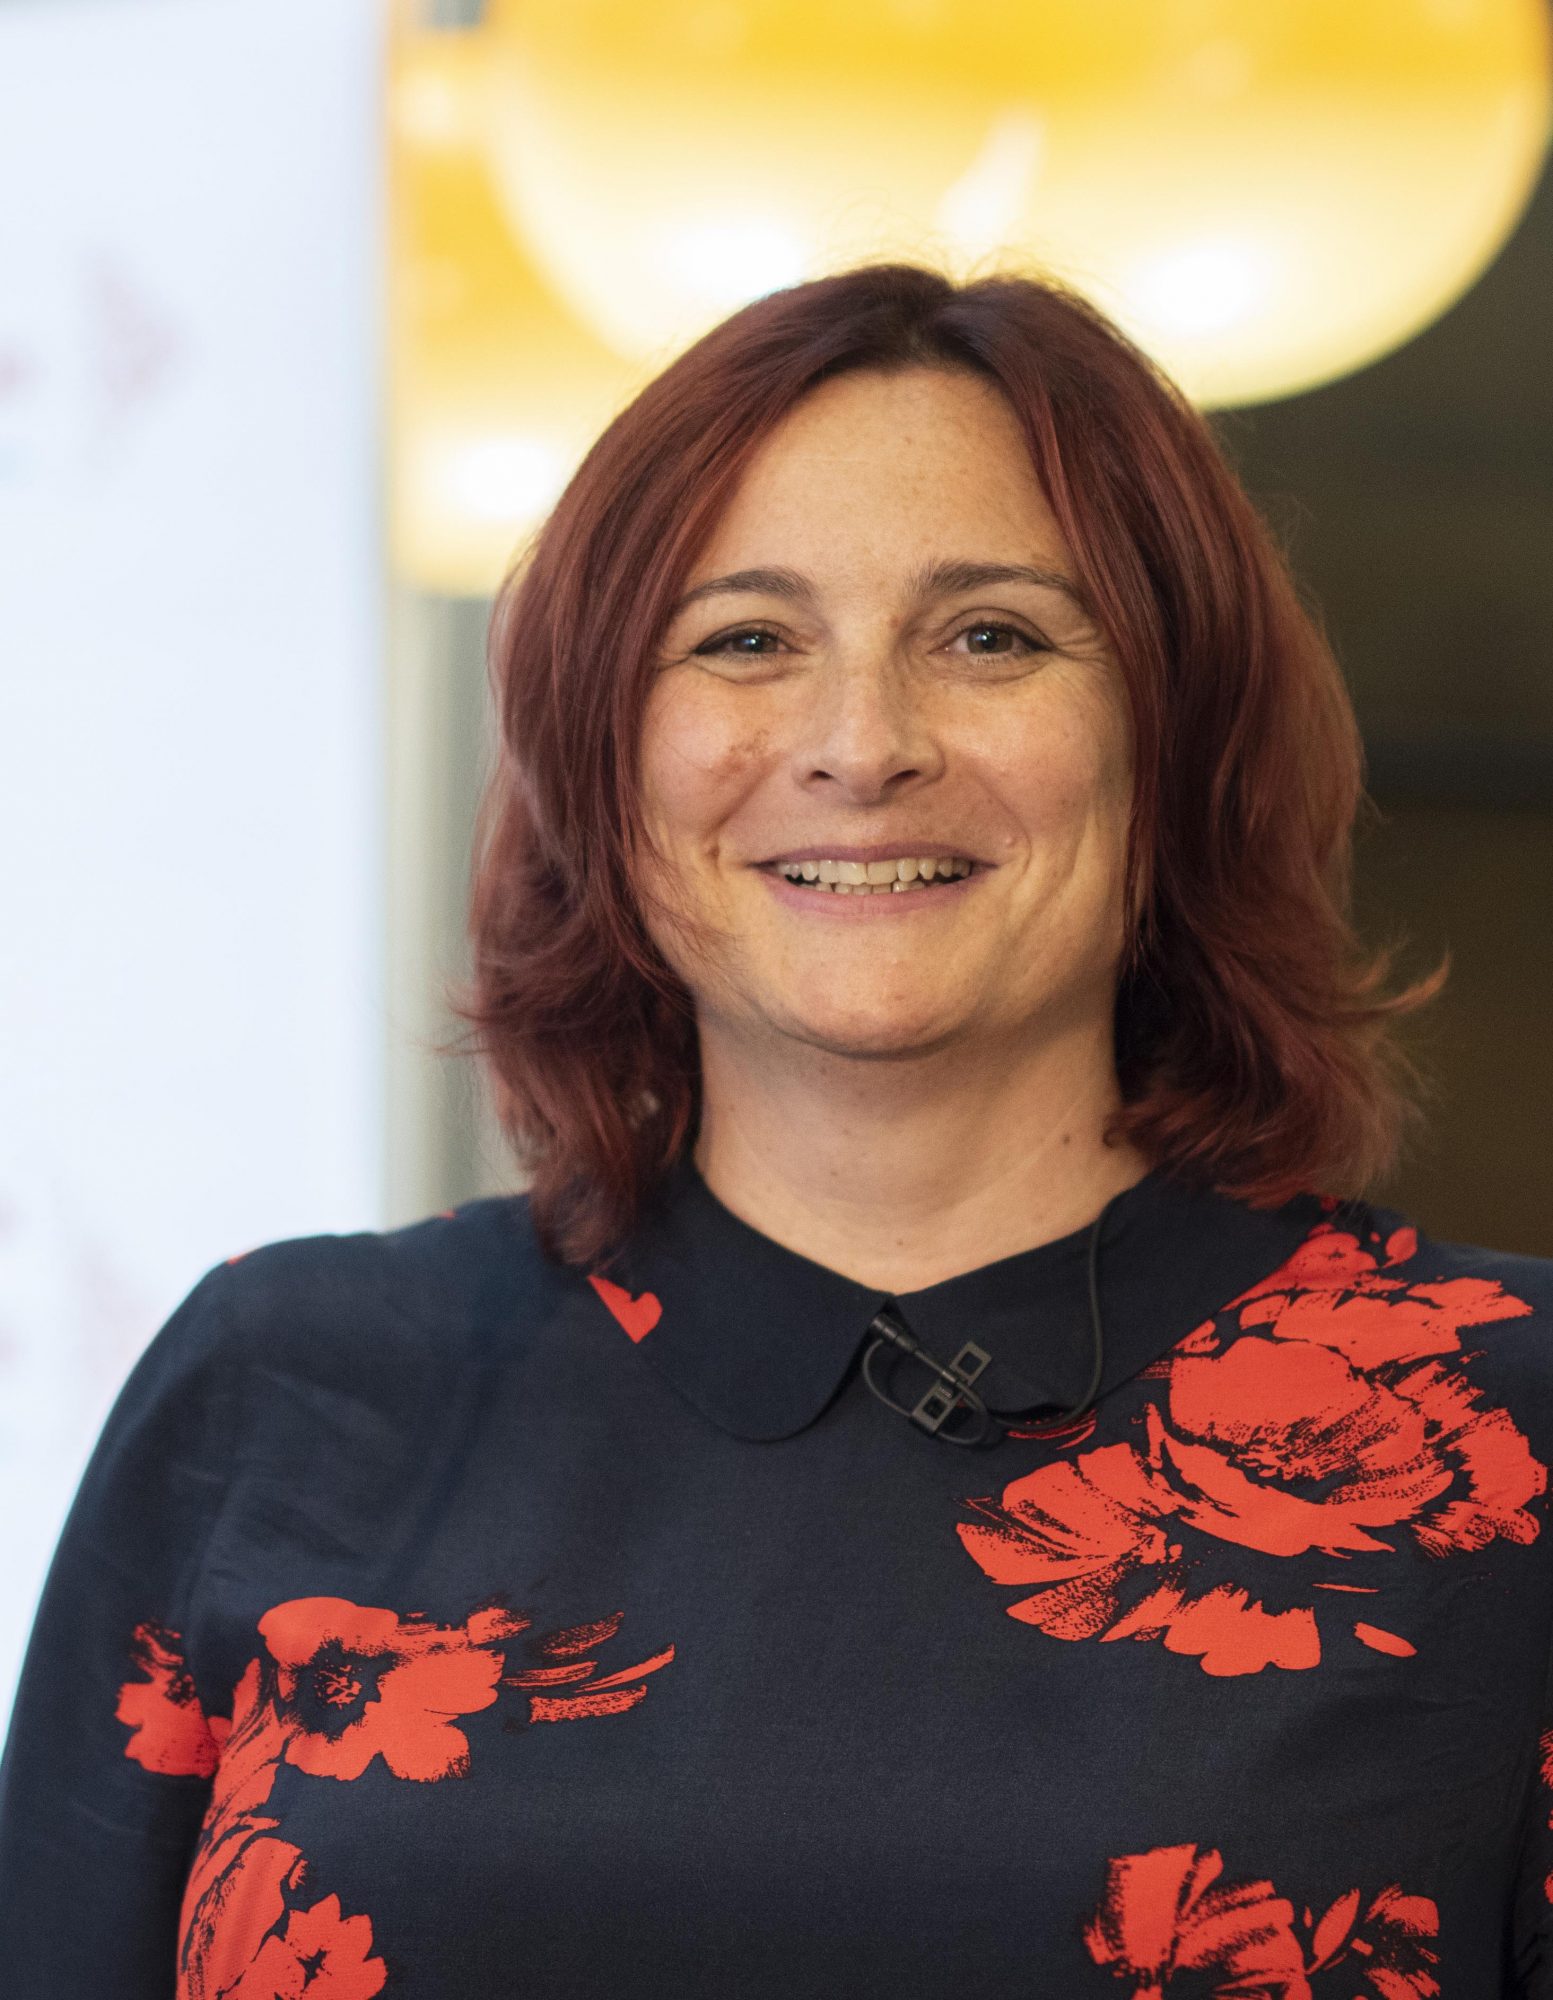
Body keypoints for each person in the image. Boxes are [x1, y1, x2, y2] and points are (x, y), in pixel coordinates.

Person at [0, 259, 1549, 1999]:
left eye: (991, 637)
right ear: (602, 749)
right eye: (745, 640)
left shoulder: (1513, 1425)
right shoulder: (277, 1388)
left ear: (1175, 738)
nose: (860, 745)